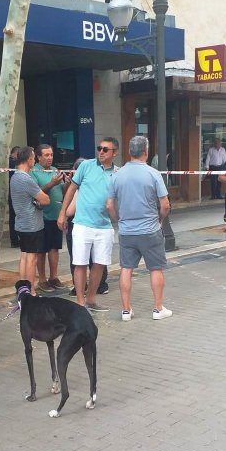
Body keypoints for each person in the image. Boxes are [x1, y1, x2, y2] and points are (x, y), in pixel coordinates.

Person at [106, 136, 172, 321]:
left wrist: (118, 220)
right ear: (146, 151)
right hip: (150, 230)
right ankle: (158, 309)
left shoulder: (117, 175)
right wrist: (160, 219)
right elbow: (165, 204)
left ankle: (126, 310)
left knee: (126, 268)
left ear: (129, 151)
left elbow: (110, 205)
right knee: (156, 268)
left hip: (127, 231)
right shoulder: (153, 174)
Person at [58, 137, 119, 312]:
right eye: (99, 148)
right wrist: (62, 212)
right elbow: (71, 189)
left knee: (99, 264)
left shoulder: (118, 173)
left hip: (104, 226)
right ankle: (80, 302)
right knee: (80, 263)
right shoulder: (86, 166)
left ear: (114, 153)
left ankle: (91, 299)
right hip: (82, 224)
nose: (100, 151)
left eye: (105, 149)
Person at [65, 158, 109, 297]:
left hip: (80, 226)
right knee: (98, 259)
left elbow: (69, 211)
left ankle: (81, 288)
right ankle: (100, 285)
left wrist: (63, 210)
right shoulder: (99, 184)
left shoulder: (80, 189)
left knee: (79, 260)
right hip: (99, 225)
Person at [10, 147, 50, 296]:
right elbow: (45, 199)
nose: (34, 160)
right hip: (32, 224)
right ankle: (31, 290)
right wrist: (39, 200)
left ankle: (23, 289)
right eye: (33, 158)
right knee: (31, 259)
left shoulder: (14, 176)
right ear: (28, 159)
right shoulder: (26, 178)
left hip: (21, 222)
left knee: (25, 255)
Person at [31, 144, 66, 293]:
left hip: (56, 216)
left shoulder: (56, 170)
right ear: (38, 157)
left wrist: (69, 183)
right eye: (46, 155)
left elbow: (62, 189)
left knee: (54, 248)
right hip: (42, 217)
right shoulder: (34, 172)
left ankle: (54, 277)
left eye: (51, 155)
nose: (50, 158)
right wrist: (52, 183)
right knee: (41, 250)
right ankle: (42, 279)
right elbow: (36, 192)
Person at [8, 146, 20, 248]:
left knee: (13, 217)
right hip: (14, 193)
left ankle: (15, 239)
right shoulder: (12, 164)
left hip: (12, 193)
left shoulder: (9, 162)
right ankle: (15, 240)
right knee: (14, 217)